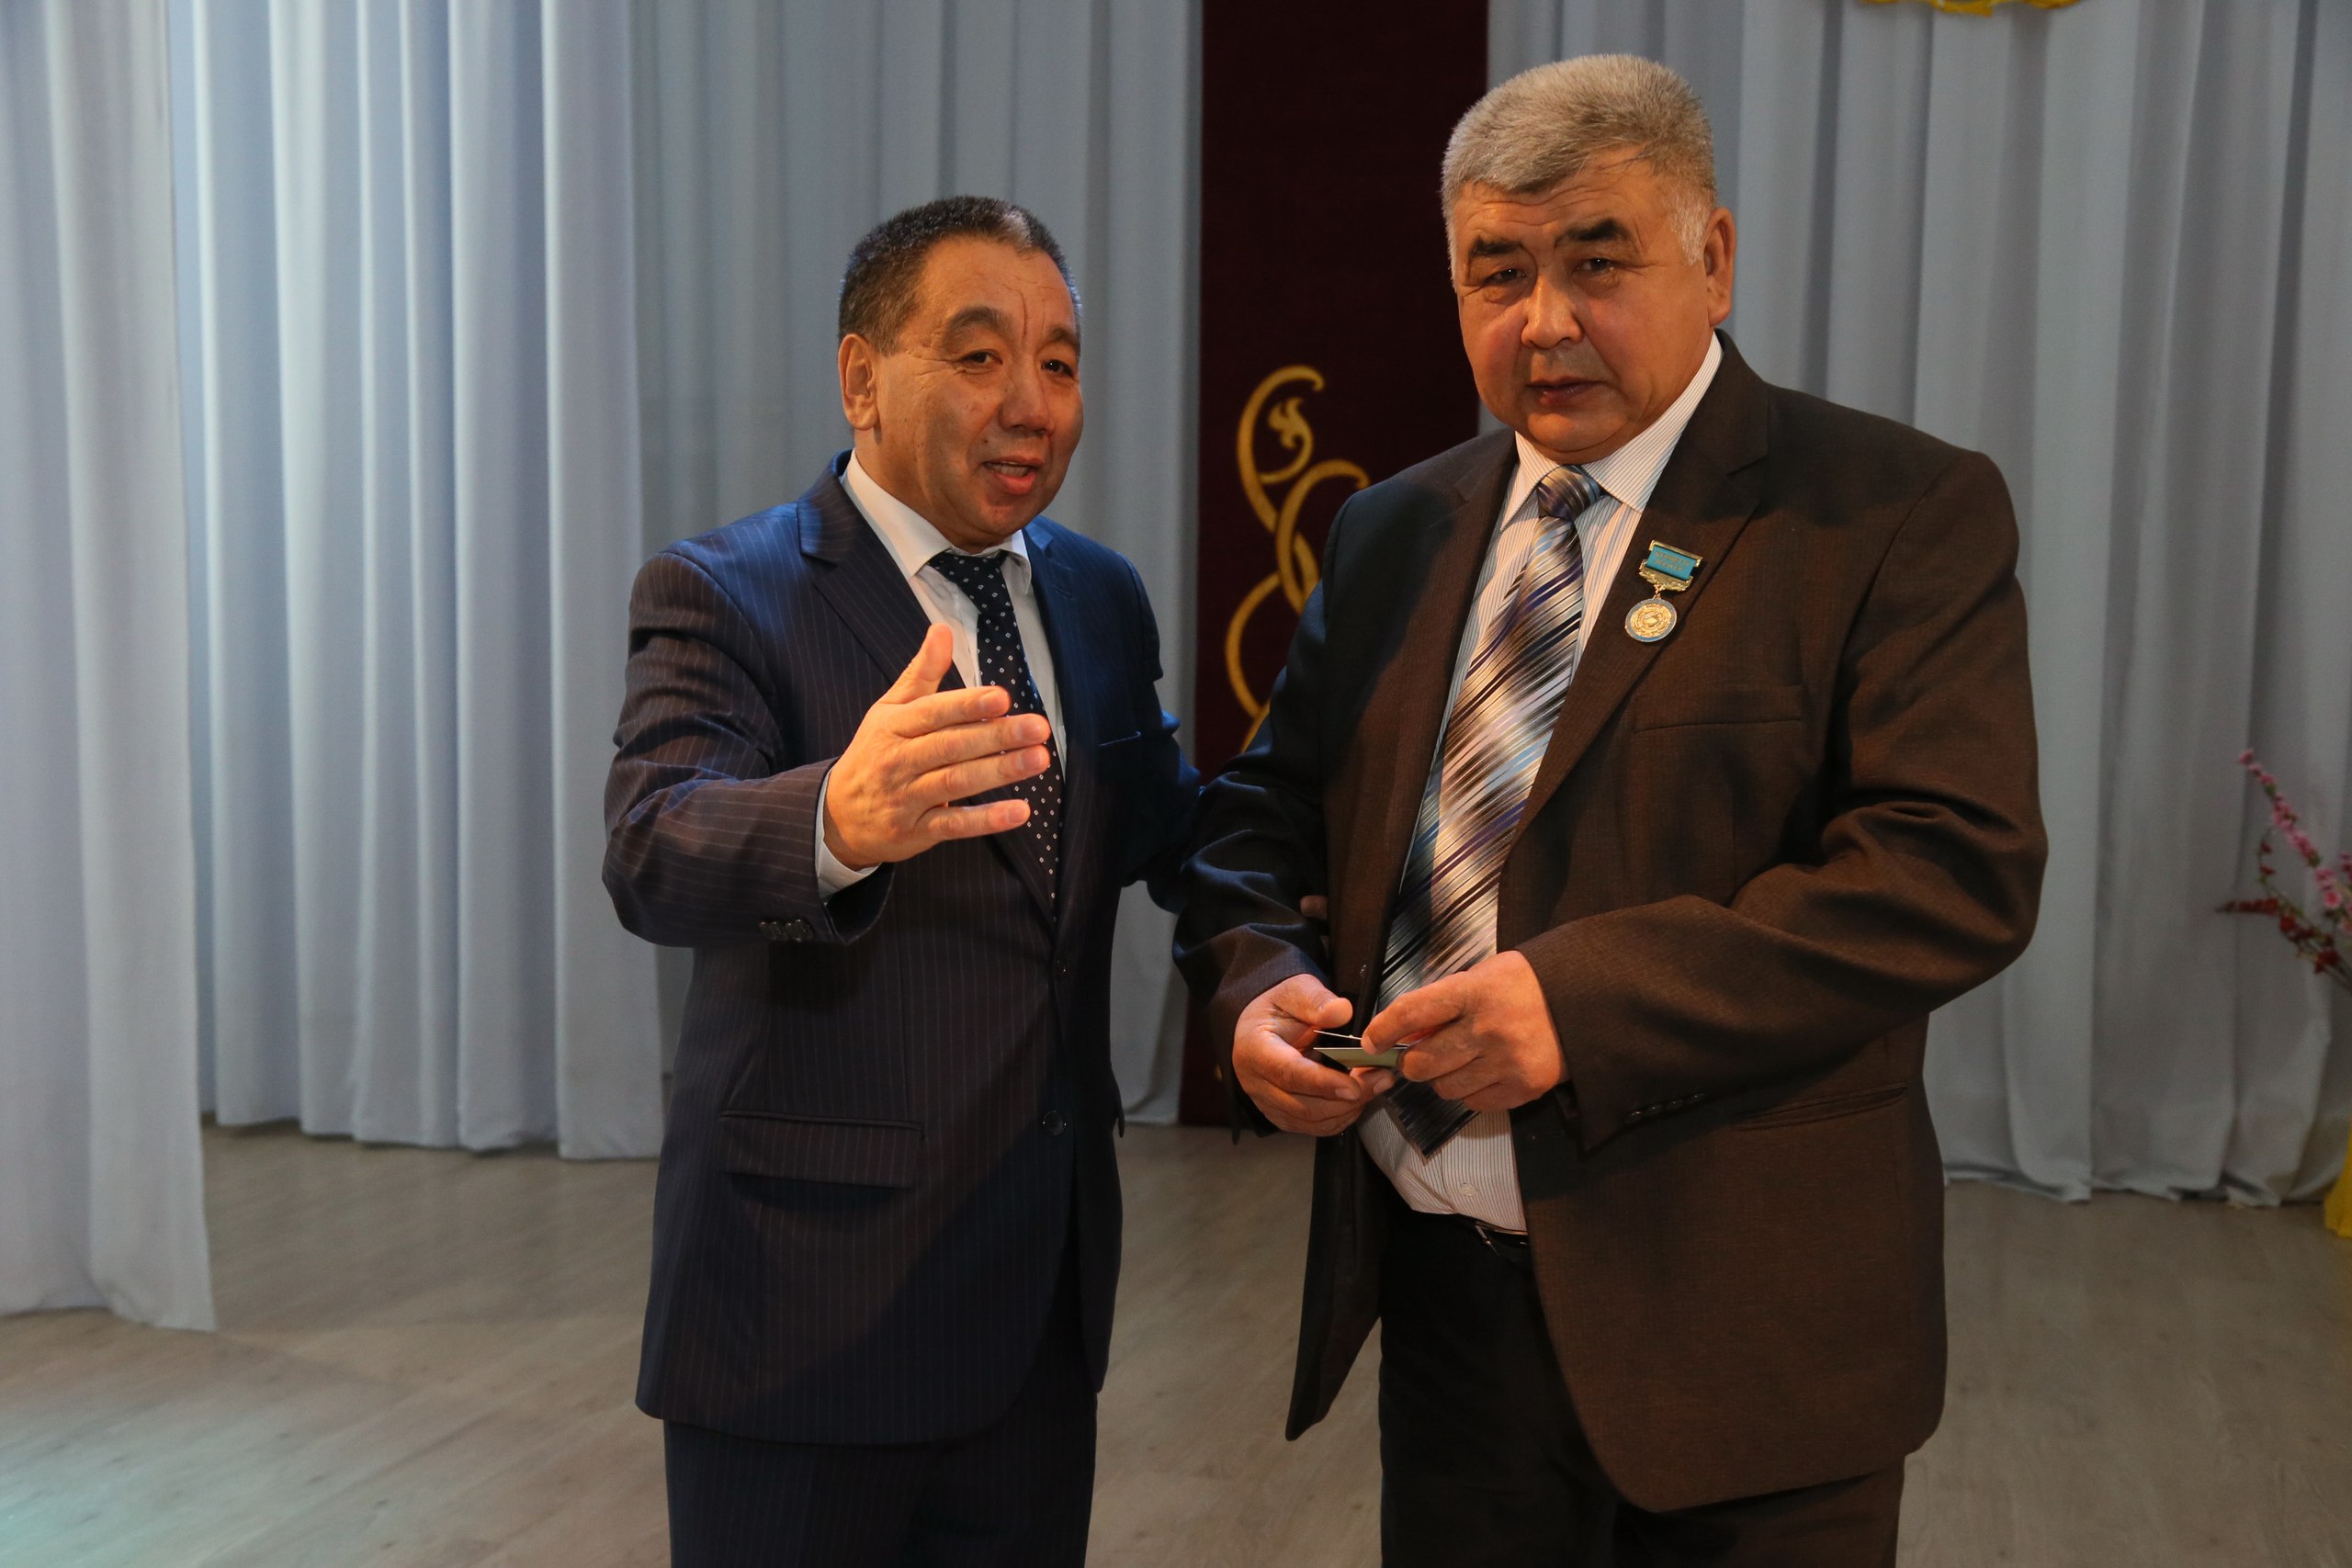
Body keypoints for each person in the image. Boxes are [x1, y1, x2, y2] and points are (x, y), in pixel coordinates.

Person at [1177, 55, 2046, 1567]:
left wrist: (1576, 1008)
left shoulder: (1889, 511)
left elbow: (1948, 869)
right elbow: (1263, 815)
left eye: (1598, 261)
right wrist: (1256, 984)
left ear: (1715, 258)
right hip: (1447, 1319)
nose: (1546, 321)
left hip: (1744, 1336)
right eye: (1497, 273)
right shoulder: (1393, 528)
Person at [605, 195, 1196, 1568]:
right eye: (979, 356)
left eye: (1059, 362)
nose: (1032, 403)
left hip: (1038, 1314)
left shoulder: (1096, 595)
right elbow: (652, 847)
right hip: (807, 1319)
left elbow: (1167, 829)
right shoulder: (726, 589)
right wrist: (837, 818)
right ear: (862, 378)